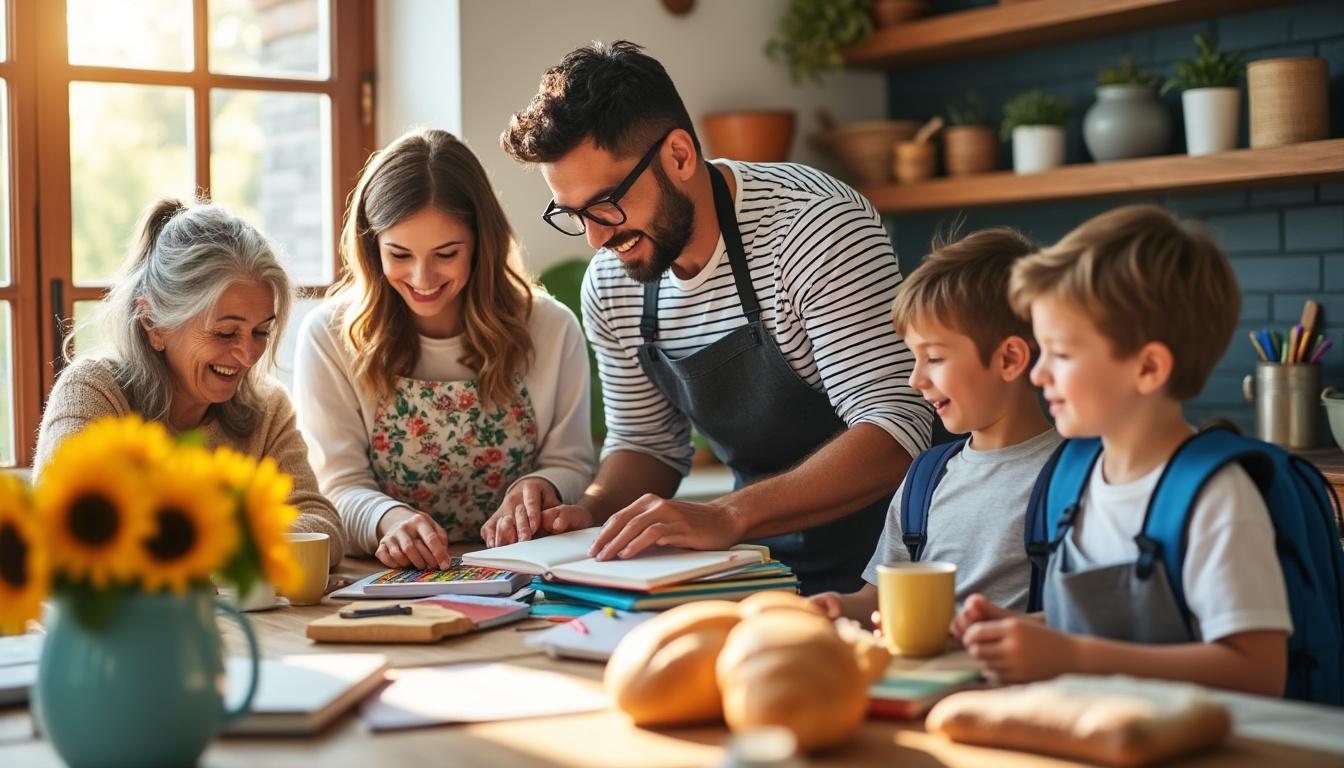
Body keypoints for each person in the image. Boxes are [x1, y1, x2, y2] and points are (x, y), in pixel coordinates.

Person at [500, 41, 932, 594]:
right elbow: (647, 445)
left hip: (899, 559)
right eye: (574, 214)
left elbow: (898, 427)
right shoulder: (612, 282)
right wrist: (587, 512)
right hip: (759, 561)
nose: (595, 238)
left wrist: (729, 515)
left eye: (606, 204)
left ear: (679, 156)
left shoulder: (812, 229)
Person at [953, 204, 1291, 697]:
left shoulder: (1216, 498)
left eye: (1061, 353)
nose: (1039, 373)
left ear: (1148, 368)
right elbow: (1106, 628)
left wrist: (1070, 656)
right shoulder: (1074, 478)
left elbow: (1258, 673)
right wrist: (1017, 631)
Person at [293, 128, 595, 571]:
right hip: (387, 575)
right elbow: (336, 485)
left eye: (446, 254)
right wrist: (387, 519)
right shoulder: (330, 337)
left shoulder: (551, 328)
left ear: (480, 244)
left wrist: (540, 487)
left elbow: (571, 462)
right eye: (399, 255)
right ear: (371, 247)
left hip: (520, 569)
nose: (422, 278)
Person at [35, 198, 345, 566]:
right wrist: (235, 541)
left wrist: (198, 544)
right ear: (153, 324)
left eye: (261, 331)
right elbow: (65, 533)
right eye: (225, 332)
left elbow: (322, 528)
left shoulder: (267, 407)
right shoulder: (92, 393)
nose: (248, 356)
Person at [809, 228, 1060, 623]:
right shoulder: (924, 478)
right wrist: (839, 606)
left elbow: (1090, 619)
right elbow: (882, 598)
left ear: (1009, 359)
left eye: (935, 358)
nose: (915, 379)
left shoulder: (1077, 476)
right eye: (914, 357)